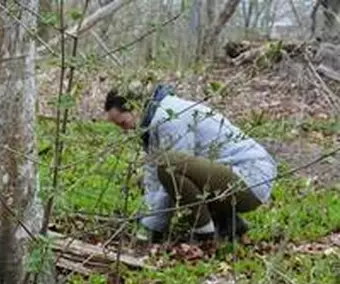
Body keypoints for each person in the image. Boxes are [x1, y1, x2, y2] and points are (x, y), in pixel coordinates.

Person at [104, 84, 277, 243]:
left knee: (169, 165)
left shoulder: (170, 117)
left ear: (134, 108)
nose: (125, 130)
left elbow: (171, 171)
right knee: (163, 170)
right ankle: (230, 225)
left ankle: (205, 234)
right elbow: (153, 178)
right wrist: (148, 220)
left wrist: (153, 228)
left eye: (123, 123)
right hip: (232, 179)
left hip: (251, 178)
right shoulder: (153, 124)